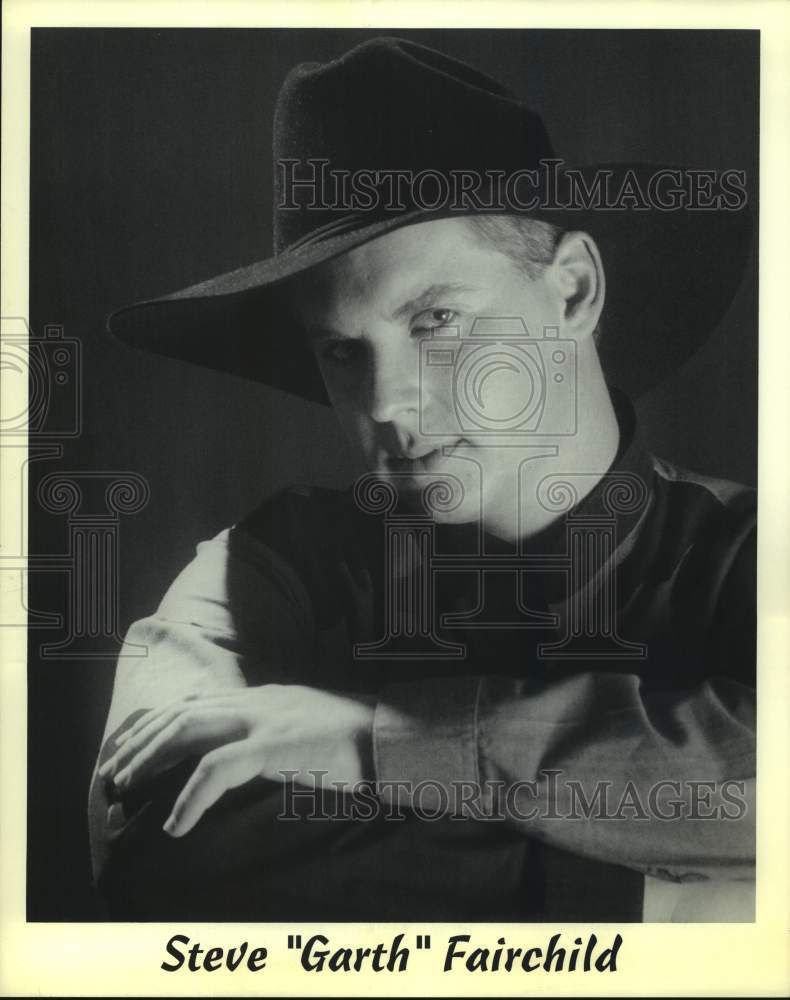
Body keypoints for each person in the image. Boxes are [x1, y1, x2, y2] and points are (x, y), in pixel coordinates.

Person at [89, 36, 756, 922]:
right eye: (341, 350)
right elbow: (162, 837)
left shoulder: (755, 557)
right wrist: (676, 906)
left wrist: (383, 745)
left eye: (437, 319)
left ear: (573, 292)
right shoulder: (259, 573)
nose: (391, 406)